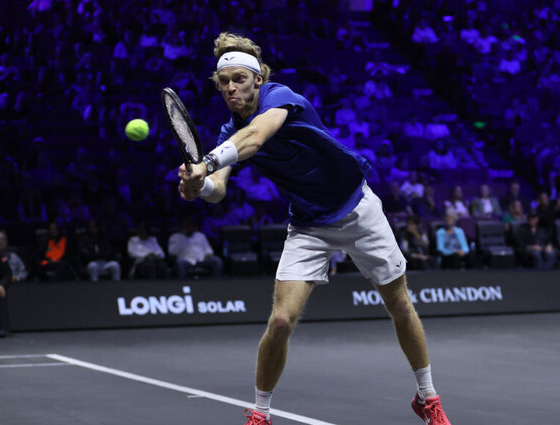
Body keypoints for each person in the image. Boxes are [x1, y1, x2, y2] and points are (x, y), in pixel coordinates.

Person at [177, 33, 451, 425]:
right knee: (281, 320)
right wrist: (197, 184)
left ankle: (427, 397)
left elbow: (257, 136)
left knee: (399, 304)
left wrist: (204, 161)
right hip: (307, 225)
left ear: (258, 79)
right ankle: (260, 414)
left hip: (358, 210)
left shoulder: (279, 97)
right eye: (224, 82)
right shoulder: (226, 135)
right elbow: (217, 190)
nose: (231, 88)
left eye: (240, 78)